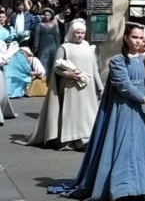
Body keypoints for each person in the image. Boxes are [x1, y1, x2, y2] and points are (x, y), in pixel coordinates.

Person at [47, 23, 145, 201]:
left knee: (144, 149)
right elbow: (124, 85)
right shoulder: (117, 60)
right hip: (125, 108)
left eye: (141, 38)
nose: (138, 41)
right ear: (126, 38)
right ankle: (122, 189)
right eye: (135, 37)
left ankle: (144, 190)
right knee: (124, 147)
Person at [25, 19, 104, 150]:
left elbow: (94, 69)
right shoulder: (64, 48)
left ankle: (86, 138)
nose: (80, 35)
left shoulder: (88, 47)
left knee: (88, 113)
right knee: (72, 113)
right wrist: (68, 74)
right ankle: (72, 139)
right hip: (70, 87)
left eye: (82, 33)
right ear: (72, 33)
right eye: (77, 33)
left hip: (87, 89)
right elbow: (56, 67)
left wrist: (100, 87)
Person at [34, 8, 61, 77]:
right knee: (43, 61)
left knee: (52, 62)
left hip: (53, 46)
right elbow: (37, 36)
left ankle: (51, 79)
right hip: (43, 45)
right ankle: (43, 77)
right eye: (45, 15)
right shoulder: (40, 25)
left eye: (48, 15)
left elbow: (57, 37)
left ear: (51, 16)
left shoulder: (55, 25)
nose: (46, 17)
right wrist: (36, 46)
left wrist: (58, 47)